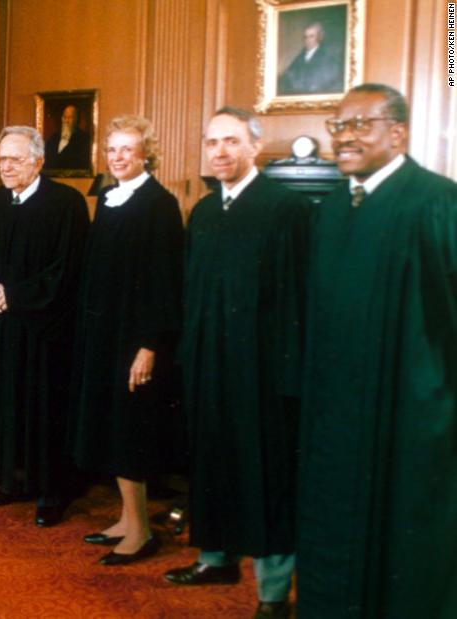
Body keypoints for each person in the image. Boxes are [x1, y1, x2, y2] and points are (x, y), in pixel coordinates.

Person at [297, 83, 457, 618]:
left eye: (360, 125)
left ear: (399, 132)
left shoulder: (437, 201)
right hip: (337, 421)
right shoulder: (333, 208)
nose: (344, 138)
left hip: (409, 419)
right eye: (338, 126)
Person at [163, 108, 310, 619]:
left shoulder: (285, 209)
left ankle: (272, 592)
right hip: (209, 366)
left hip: (263, 376)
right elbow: (189, 294)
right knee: (211, 461)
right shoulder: (203, 212)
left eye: (230, 142)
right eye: (212, 142)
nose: (219, 152)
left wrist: (289, 379)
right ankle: (215, 558)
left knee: (266, 475)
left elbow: (298, 299)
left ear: (254, 146)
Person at [67, 114, 183, 565]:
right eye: (111, 150)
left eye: (126, 150)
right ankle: (126, 519)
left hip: (135, 339)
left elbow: (164, 282)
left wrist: (149, 346)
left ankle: (142, 531)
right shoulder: (110, 198)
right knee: (109, 426)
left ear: (145, 155)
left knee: (128, 430)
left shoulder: (159, 204)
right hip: (103, 334)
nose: (117, 157)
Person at [0, 126, 88, 526]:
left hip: (46, 329)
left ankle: (53, 492)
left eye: (14, 159)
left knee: (44, 406)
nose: (5, 167)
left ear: (38, 162)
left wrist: (15, 295)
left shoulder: (66, 204)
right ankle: (11, 480)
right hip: (5, 326)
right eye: (1, 159)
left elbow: (66, 271)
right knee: (7, 402)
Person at [277, 22, 343, 96]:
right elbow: (288, 76)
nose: (308, 40)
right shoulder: (300, 57)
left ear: (319, 37)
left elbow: (329, 80)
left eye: (311, 36)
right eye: (305, 37)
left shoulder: (328, 56)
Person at [44, 105, 91, 170]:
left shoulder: (84, 139)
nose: (66, 121)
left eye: (70, 117)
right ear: (62, 119)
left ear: (76, 119)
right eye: (64, 117)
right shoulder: (53, 139)